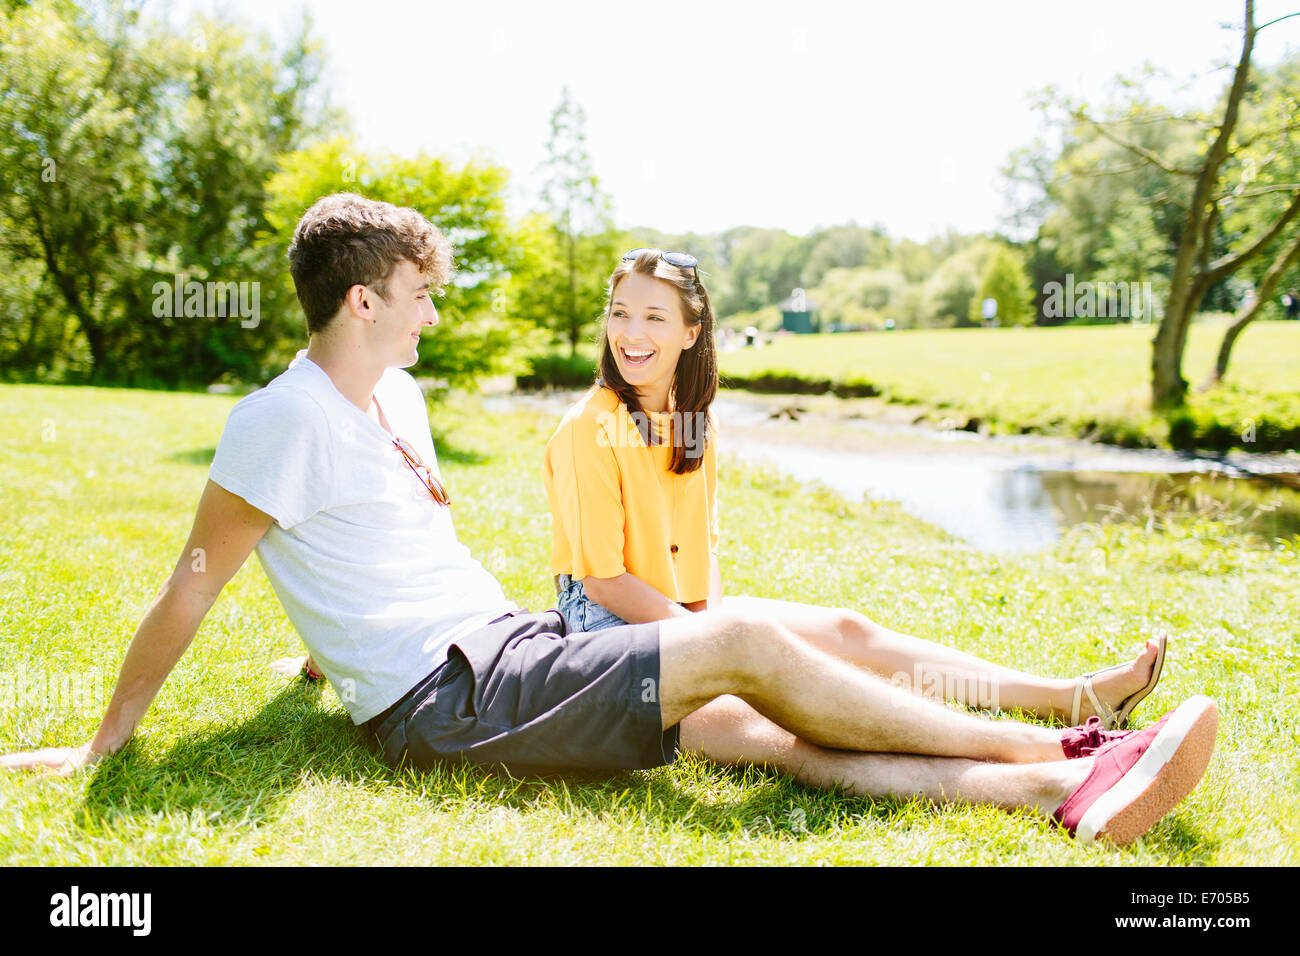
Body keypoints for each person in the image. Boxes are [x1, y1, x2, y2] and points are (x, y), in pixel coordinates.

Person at [1, 196, 1218, 848]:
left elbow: (367, 548)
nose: (433, 316)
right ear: (364, 297)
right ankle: (1073, 750)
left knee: (748, 731)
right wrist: (109, 741)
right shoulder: (280, 418)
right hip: (452, 698)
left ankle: (1049, 798)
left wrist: (319, 651)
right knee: (736, 640)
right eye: (421, 297)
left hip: (502, 645)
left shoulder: (396, 394)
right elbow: (195, 580)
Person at [544, 249, 1167, 731]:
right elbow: (604, 581)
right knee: (805, 683)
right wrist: (712, 644)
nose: (632, 333)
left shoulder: (693, 420)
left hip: (680, 613)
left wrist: (712, 621)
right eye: (621, 313)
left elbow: (698, 551)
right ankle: (1036, 742)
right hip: (608, 627)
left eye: (655, 317)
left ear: (689, 333)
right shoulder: (588, 427)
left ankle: (1067, 699)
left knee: (846, 632)